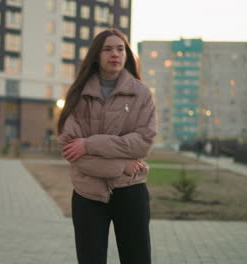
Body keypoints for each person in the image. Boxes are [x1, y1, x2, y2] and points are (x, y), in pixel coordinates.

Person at [57, 28, 157, 264]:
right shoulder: (78, 95)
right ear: (96, 55)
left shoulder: (142, 94)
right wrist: (122, 165)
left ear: (127, 54)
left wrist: (90, 144)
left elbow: (143, 143)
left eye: (120, 49)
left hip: (131, 192)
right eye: (108, 49)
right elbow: (72, 150)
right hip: (87, 194)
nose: (115, 53)